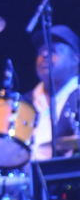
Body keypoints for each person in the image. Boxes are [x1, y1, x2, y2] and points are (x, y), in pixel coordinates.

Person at [28, 24, 80, 161]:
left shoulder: (77, 97)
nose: (44, 55)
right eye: (40, 51)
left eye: (53, 50)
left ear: (76, 58)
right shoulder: (25, 101)